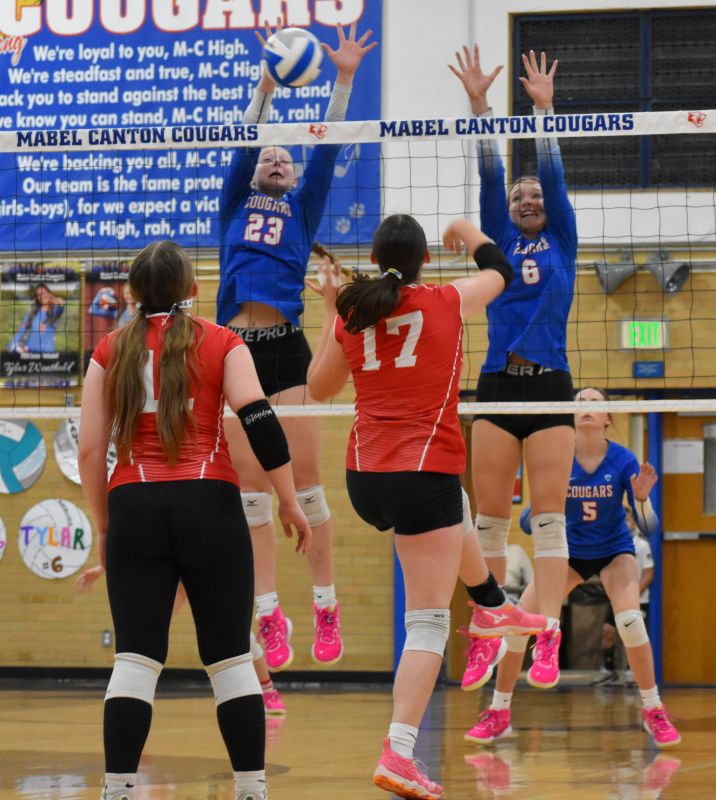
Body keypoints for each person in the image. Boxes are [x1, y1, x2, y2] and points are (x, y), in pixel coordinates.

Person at [307, 214, 546, 800]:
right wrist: (467, 228)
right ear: (426, 262)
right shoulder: (444, 298)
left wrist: (334, 308)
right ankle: (399, 752)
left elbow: (317, 390)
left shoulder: (353, 311)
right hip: (421, 471)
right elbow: (501, 270)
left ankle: (491, 605)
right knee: (430, 623)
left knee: (456, 509)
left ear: (375, 254)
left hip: (364, 478)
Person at [78, 240, 311, 800]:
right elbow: (259, 420)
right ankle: (251, 789)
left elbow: (90, 449)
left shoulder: (109, 348)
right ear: (193, 291)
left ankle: (117, 789)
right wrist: (288, 498)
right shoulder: (223, 342)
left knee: (135, 659)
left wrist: (105, 525)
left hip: (134, 500)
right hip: (209, 500)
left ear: (132, 294)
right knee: (230, 658)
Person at [217, 19, 377, 671]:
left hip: (285, 347)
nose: (277, 158)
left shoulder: (303, 210)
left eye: (287, 155)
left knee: (306, 485)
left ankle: (327, 603)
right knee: (251, 493)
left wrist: (342, 79)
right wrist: (265, 88)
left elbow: (330, 149)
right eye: (269, 156)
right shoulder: (234, 203)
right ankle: (268, 616)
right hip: (231, 353)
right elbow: (245, 140)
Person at [449, 46, 577, 688]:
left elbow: (552, 178)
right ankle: (489, 625)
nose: (528, 197)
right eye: (519, 194)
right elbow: (488, 174)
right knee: (490, 521)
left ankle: (546, 633)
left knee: (549, 518)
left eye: (535, 194)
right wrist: (479, 105)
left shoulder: (563, 238)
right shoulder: (498, 235)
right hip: (497, 385)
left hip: (551, 386)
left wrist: (543, 112)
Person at [465, 388, 681, 750]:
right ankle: (498, 712)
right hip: (567, 554)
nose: (585, 407)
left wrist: (641, 499)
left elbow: (649, 527)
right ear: (569, 412)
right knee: (518, 623)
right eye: (579, 401)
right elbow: (527, 522)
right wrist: (543, 510)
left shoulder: (624, 460)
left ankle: (653, 709)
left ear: (608, 418)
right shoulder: (556, 458)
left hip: (614, 551)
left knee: (630, 621)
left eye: (595, 403)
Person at [76, 570, 287, 717]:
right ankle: (135, 698)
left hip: (212, 576)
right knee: (148, 636)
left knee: (241, 639)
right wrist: (103, 566)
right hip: (179, 579)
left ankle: (268, 690)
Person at [599, 507, 655, 684]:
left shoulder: (641, 545)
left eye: (627, 520)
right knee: (607, 631)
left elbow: (649, 574)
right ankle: (609, 671)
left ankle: (633, 674)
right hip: (616, 597)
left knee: (633, 633)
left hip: (638, 598)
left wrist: (632, 594)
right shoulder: (609, 544)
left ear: (633, 522)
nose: (624, 523)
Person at [7, 282, 65, 353]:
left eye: (43, 293)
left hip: (47, 353)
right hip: (29, 351)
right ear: (37, 298)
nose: (41, 296)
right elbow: (22, 330)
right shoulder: (31, 313)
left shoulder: (55, 311)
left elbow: (61, 303)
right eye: (38, 295)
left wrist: (52, 298)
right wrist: (11, 345)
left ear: (49, 293)